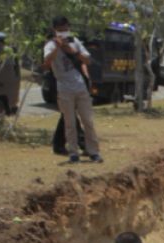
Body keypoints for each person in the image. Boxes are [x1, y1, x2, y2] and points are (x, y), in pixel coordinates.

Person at [43, 16, 102, 164]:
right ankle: (73, 153)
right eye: (60, 30)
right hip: (64, 89)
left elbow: (87, 60)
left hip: (80, 87)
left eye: (65, 29)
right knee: (69, 123)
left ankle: (93, 152)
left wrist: (73, 51)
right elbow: (46, 63)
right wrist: (57, 47)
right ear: (55, 30)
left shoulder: (75, 41)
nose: (63, 32)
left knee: (88, 121)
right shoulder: (50, 45)